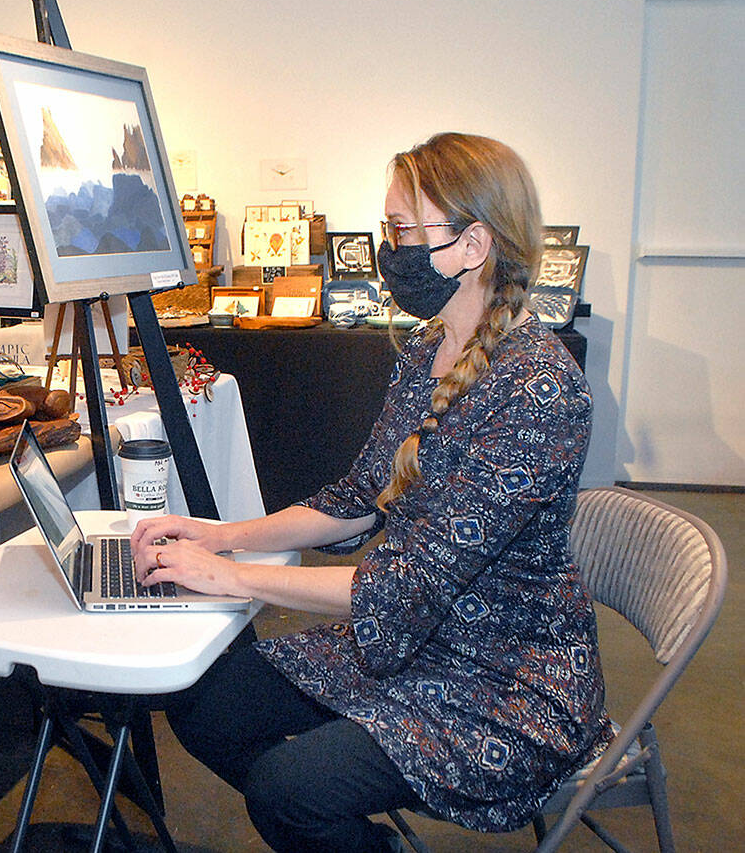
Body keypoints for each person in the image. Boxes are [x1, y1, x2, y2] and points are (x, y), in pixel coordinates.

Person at [131, 132, 612, 853]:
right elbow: (357, 498)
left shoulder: (538, 389)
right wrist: (222, 536)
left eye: (402, 231)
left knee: (287, 790)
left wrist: (232, 577)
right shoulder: (427, 351)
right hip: (416, 644)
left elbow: (403, 589)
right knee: (205, 707)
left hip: (507, 683)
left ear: (473, 244)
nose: (390, 250)